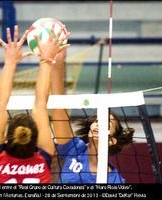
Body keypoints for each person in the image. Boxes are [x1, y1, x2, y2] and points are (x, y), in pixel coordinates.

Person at [0, 25, 70, 183]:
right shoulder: (42, 162)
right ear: (36, 140)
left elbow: (0, 105)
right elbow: (40, 104)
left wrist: (10, 62)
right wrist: (47, 59)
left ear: (8, 138)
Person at [51, 50, 134, 183]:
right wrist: (58, 61)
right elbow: (58, 107)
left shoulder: (115, 180)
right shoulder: (74, 148)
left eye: (106, 124)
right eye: (97, 121)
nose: (98, 124)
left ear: (111, 141)